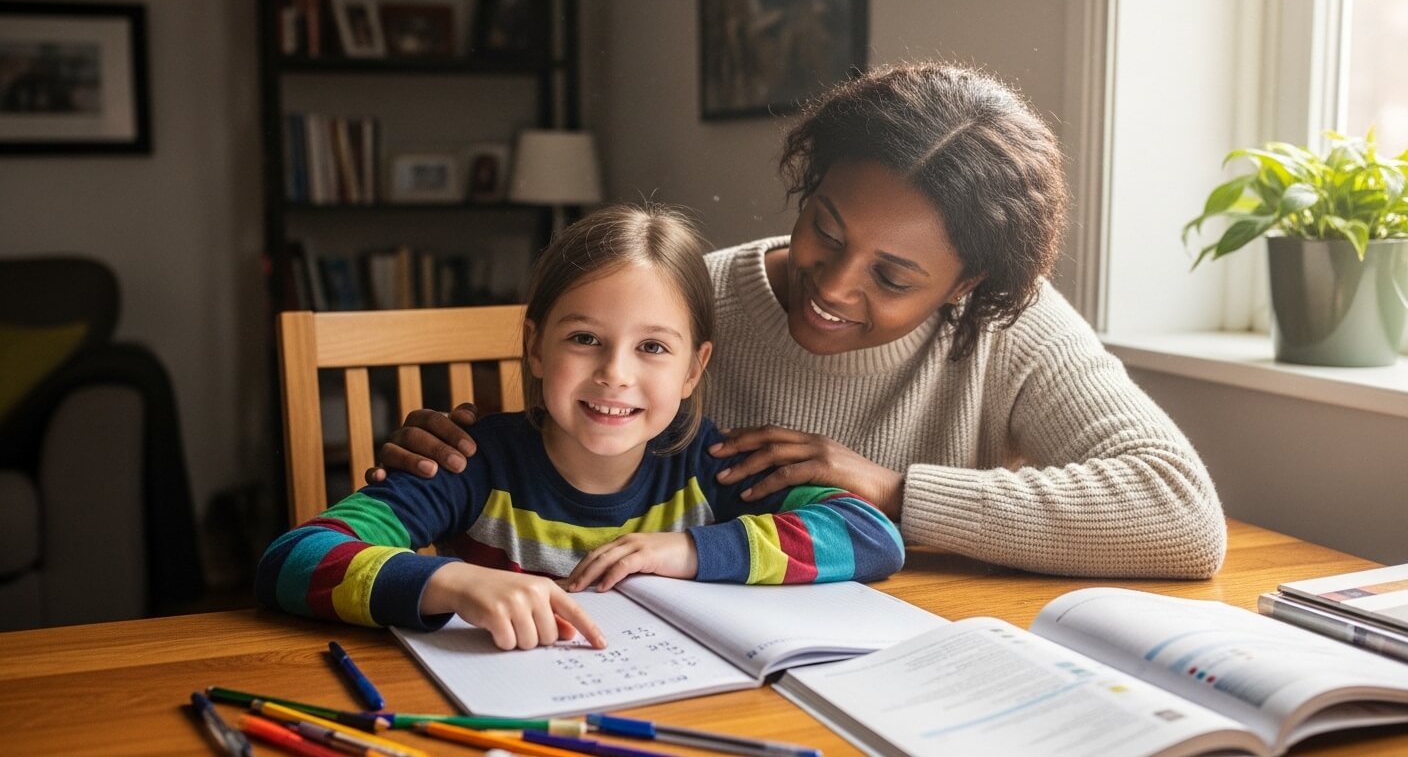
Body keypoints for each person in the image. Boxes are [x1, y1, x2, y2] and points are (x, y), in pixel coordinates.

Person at [371, 62, 1228, 580]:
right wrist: (458, 451)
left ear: (965, 282)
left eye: (893, 276)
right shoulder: (683, 307)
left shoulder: (1008, 319)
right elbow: (561, 434)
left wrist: (895, 492)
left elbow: (1182, 514)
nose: (833, 286)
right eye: (824, 226)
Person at [257, 204, 905, 651]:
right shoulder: (472, 465)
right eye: (585, 338)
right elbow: (291, 561)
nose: (615, 374)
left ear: (693, 369)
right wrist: (446, 583)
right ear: (537, 349)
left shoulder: (715, 465)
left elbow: (873, 535)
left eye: (652, 348)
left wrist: (689, 552)